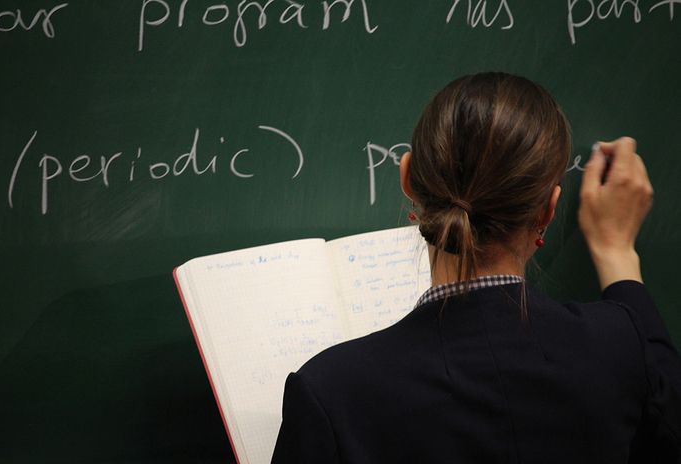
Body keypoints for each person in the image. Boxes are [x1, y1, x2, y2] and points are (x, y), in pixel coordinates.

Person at [271, 72, 681, 463]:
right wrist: (615, 251)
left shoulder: (331, 391)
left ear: (409, 179)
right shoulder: (620, 349)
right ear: (548, 210)